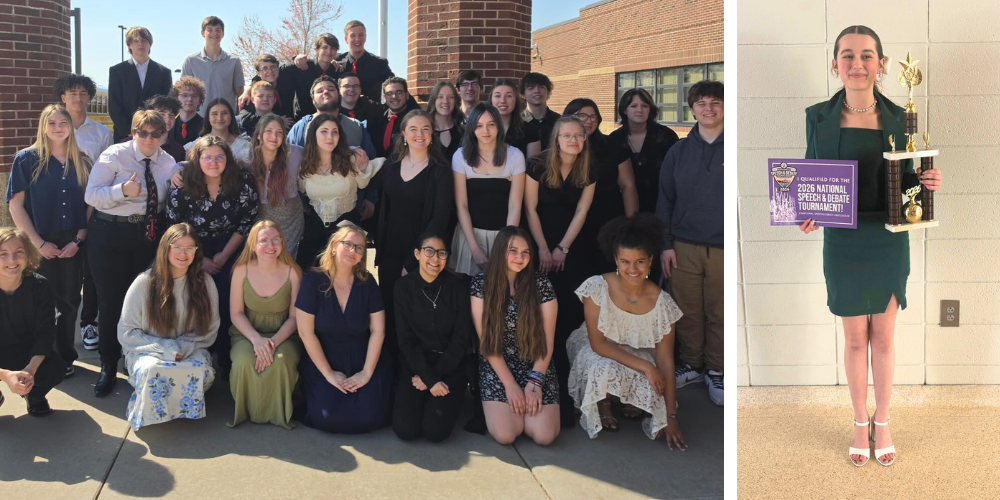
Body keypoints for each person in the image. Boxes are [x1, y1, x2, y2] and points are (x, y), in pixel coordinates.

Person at [799, 26, 941, 467]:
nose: (856, 64)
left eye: (866, 56)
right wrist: (804, 205)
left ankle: (884, 421)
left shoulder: (902, 117)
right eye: (847, 55)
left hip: (887, 239)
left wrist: (928, 182)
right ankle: (860, 420)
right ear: (834, 63)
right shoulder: (817, 116)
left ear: (881, 64)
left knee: (884, 336)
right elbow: (809, 169)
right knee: (855, 338)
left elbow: (909, 180)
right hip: (841, 238)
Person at [566, 214, 686, 448]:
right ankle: (604, 402)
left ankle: (629, 398)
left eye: (639, 261)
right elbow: (598, 344)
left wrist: (671, 417)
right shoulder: (597, 287)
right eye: (625, 261)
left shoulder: (663, 303)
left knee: (656, 389)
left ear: (650, 260)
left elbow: (666, 360)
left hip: (638, 353)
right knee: (601, 366)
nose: (632, 269)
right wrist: (647, 367)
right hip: (598, 350)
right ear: (616, 260)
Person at [85, 110, 179, 398]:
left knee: (143, 301)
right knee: (110, 301)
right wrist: (121, 191)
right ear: (133, 131)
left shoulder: (168, 162)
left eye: (155, 133)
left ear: (163, 135)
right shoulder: (114, 155)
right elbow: (91, 195)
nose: (148, 139)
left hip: (148, 237)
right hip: (110, 233)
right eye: (143, 132)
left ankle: (135, 358)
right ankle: (108, 364)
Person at [6, 104, 92, 378]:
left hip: (72, 242)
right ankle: (38, 360)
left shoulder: (83, 160)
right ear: (43, 127)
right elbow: (15, 206)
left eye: (63, 123)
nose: (58, 128)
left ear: (70, 127)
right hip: (37, 241)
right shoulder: (26, 159)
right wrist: (38, 244)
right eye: (52, 123)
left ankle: (64, 358)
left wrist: (79, 239)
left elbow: (91, 204)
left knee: (68, 302)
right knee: (40, 304)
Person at [655, 79, 725, 408]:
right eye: (701, 103)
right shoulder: (678, 151)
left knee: (719, 310)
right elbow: (665, 200)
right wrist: (666, 244)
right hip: (683, 244)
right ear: (692, 109)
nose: (708, 108)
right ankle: (694, 365)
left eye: (715, 102)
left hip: (723, 245)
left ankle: (718, 370)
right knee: (688, 312)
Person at [524, 115, 596, 427]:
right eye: (567, 135)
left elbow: (582, 210)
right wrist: (542, 248)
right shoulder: (538, 164)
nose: (573, 141)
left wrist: (562, 248)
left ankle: (567, 392)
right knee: (538, 313)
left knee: (567, 316)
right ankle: (536, 379)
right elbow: (530, 208)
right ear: (557, 138)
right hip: (538, 241)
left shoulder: (589, 167)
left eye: (579, 136)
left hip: (571, 246)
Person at [167, 136, 259, 378]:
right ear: (197, 160)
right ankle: (197, 355)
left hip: (231, 246)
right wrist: (201, 259)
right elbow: (176, 227)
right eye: (207, 157)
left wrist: (222, 257)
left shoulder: (241, 184)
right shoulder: (183, 187)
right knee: (195, 298)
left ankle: (227, 359)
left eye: (220, 156)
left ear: (227, 160)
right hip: (191, 249)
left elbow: (247, 221)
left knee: (229, 297)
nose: (214, 162)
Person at [371, 110, 454, 376]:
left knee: (414, 318)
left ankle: (415, 376)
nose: (420, 134)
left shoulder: (441, 173)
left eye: (426, 129)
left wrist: (415, 261)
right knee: (389, 314)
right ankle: (391, 378)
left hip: (421, 258)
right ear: (404, 134)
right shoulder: (390, 167)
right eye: (414, 129)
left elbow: (439, 220)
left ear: (432, 136)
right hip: (389, 254)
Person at [118, 223, 219, 431]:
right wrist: (165, 348)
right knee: (153, 370)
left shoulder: (205, 283)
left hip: (190, 349)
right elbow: (126, 332)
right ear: (166, 248)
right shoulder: (144, 282)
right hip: (148, 351)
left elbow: (210, 329)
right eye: (177, 247)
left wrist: (180, 349)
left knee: (201, 371)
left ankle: (181, 408)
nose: (184, 254)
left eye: (190, 248)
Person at [295, 222, 392, 433]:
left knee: (369, 417)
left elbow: (378, 331)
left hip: (362, 358)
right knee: (326, 418)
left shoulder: (368, 284)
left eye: (359, 248)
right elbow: (305, 332)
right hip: (323, 358)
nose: (353, 251)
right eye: (348, 244)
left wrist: (366, 373)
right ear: (333, 246)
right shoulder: (313, 281)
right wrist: (329, 374)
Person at [471, 226, 559, 445]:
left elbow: (547, 341)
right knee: (506, 434)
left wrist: (534, 383)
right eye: (513, 250)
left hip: (535, 363)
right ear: (500, 251)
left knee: (544, 436)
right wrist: (510, 385)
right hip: (498, 365)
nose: (520, 257)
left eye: (526, 252)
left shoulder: (541, 285)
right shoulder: (480, 285)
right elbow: (487, 343)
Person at [391, 233, 471, 442]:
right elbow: (406, 341)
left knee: (435, 432)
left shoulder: (458, 289)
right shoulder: (403, 288)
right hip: (415, 364)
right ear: (417, 254)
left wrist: (433, 378)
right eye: (429, 251)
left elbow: (460, 340)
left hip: (450, 365)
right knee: (405, 430)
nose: (435, 259)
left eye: (441, 253)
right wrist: (428, 377)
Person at [54, 74, 110, 353]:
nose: (78, 98)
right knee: (64, 274)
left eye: (83, 93)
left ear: (90, 97)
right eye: (71, 93)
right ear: (62, 97)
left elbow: (105, 175)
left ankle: (88, 323)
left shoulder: (101, 134)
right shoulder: (53, 129)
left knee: (91, 272)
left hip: (91, 209)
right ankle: (58, 333)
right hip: (57, 212)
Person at [228, 221, 303, 429]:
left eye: (276, 239)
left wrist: (271, 344)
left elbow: (295, 318)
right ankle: (247, 411)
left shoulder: (293, 272)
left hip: (284, 335)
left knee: (280, 361)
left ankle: (279, 413)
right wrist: (257, 340)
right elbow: (236, 313)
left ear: (282, 242)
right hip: (247, 333)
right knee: (244, 359)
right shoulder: (241, 271)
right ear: (252, 245)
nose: (271, 246)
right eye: (264, 241)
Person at [563, 98, 638, 278]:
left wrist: (632, 224)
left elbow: (628, 185)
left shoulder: (612, 145)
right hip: (570, 221)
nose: (588, 120)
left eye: (593, 116)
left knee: (607, 275)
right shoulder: (561, 146)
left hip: (608, 220)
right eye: (582, 115)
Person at [296, 114, 380, 270]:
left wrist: (362, 169)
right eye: (324, 131)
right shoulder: (305, 165)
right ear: (314, 134)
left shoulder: (351, 159)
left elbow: (362, 185)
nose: (330, 137)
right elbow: (301, 189)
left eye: (335, 132)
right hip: (314, 234)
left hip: (346, 230)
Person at [450, 103, 525, 276]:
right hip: (469, 237)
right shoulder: (460, 156)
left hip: (503, 237)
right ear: (471, 128)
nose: (486, 130)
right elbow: (461, 205)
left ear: (499, 126)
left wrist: (506, 245)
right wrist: (475, 249)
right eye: (479, 125)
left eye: (491, 124)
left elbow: (515, 205)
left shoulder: (515, 156)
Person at [0, 228, 66, 416]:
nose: (12, 260)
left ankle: (34, 394)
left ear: (28, 254)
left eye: (18, 252)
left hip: (27, 352)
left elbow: (45, 333)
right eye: (3, 254)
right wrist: (5, 375)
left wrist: (30, 371)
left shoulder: (40, 286)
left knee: (56, 367)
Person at [608, 88, 679, 214]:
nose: (639, 110)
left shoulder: (667, 136)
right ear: (625, 110)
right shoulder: (614, 139)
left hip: (661, 206)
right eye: (634, 106)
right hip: (624, 208)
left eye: (645, 106)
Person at [247, 114, 305, 258]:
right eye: (269, 131)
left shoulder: (296, 153)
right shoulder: (247, 156)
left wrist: (354, 150)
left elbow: (322, 156)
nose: (274, 136)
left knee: (286, 260)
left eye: (279, 132)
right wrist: (180, 167)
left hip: (290, 218)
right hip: (260, 217)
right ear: (259, 134)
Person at [286, 76, 376, 160]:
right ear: (313, 100)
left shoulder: (356, 127)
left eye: (331, 89)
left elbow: (370, 162)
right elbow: (289, 160)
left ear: (339, 95)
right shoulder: (302, 126)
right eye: (320, 91)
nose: (325, 92)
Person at [108, 26, 173, 142]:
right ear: (129, 45)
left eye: (144, 40)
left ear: (150, 45)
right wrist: (131, 132)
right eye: (136, 40)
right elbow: (114, 107)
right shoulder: (117, 71)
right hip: (125, 136)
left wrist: (154, 131)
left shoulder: (163, 72)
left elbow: (166, 106)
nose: (140, 44)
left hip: (154, 136)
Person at [181, 16, 244, 117]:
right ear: (203, 33)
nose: (214, 33)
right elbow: (184, 91)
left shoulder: (234, 61)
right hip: (199, 118)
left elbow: (239, 92)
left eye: (218, 30)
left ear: (223, 34)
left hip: (226, 118)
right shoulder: (190, 60)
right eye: (209, 30)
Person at [336, 20, 394, 101]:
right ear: (346, 39)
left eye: (361, 35)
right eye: (353, 35)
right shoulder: (336, 62)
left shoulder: (378, 63)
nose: (357, 39)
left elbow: (395, 86)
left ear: (365, 37)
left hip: (370, 112)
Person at [185, 98, 252, 165]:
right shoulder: (194, 147)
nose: (219, 118)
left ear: (231, 116)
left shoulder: (246, 147)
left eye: (224, 113)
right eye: (214, 114)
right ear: (208, 117)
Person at [370, 77, 421, 159]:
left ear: (407, 95)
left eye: (399, 92)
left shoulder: (416, 120)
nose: (394, 96)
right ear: (384, 97)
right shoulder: (378, 119)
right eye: (389, 93)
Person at [490, 78, 540, 159]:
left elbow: (533, 167)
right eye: (497, 96)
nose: (503, 100)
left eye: (509, 96)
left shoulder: (530, 129)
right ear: (491, 99)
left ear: (516, 99)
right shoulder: (480, 128)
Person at [237, 54, 294, 121]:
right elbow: (245, 119)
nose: (270, 71)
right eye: (265, 68)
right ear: (258, 73)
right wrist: (276, 121)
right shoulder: (254, 93)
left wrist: (298, 57)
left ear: (278, 68)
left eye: (273, 67)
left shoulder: (286, 80)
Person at [520, 73, 561, 150]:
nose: (537, 91)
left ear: (548, 92)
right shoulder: (517, 122)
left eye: (541, 87)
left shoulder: (559, 121)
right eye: (531, 88)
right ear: (523, 94)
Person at [426, 81, 464, 161]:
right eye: (440, 97)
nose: (445, 101)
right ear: (433, 100)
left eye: (451, 97)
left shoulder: (463, 132)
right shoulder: (425, 132)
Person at [142, 95, 187, 162]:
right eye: (162, 114)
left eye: (171, 115)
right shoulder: (129, 144)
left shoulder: (178, 150)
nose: (167, 119)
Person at [171, 76, 206, 145]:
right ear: (176, 98)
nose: (190, 99)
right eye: (185, 95)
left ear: (199, 100)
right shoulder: (169, 124)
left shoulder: (206, 125)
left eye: (194, 96)